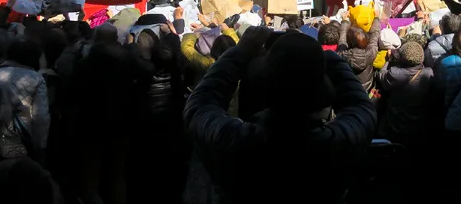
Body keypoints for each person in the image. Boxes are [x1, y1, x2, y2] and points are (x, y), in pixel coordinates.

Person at [184, 28, 377, 201]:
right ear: (322, 90)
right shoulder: (340, 143)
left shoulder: (235, 143)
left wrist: (239, 53)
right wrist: (323, 57)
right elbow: (361, 107)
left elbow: (200, 105)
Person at [378, 40, 434, 151]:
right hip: (419, 124)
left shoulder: (394, 73)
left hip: (396, 123)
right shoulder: (429, 73)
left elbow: (381, 75)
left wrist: (388, 61)